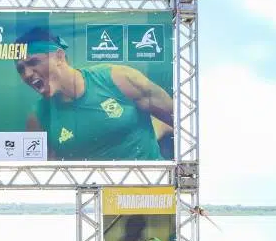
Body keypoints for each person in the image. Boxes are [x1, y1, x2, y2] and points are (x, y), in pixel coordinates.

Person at [14, 27, 174, 162]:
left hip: (146, 192)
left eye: (33, 62)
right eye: (21, 69)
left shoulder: (119, 78)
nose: (27, 74)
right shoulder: (38, 118)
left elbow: (181, 121)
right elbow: (46, 176)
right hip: (92, 197)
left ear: (59, 57)